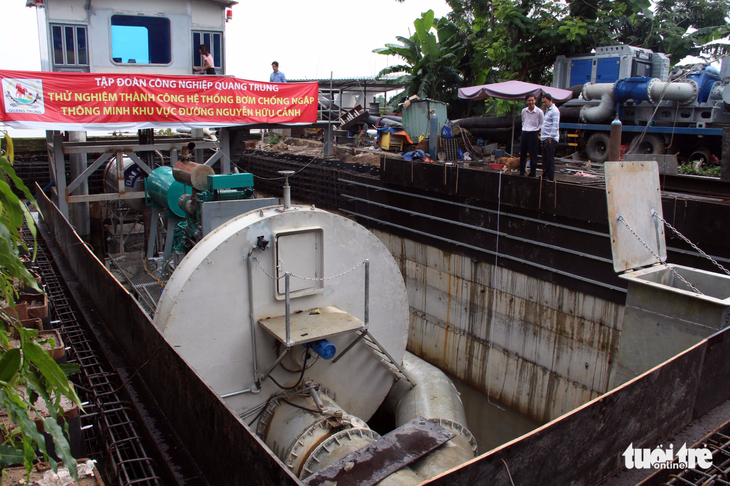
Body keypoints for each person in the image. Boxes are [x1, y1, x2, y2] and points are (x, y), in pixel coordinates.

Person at [519, 94, 543, 177]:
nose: (531, 102)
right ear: (526, 101)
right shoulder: (524, 111)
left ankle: (533, 173)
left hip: (533, 133)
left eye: (532, 100)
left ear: (535, 100)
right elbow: (523, 121)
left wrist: (536, 130)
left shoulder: (539, 111)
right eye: (529, 100)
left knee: (533, 154)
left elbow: (541, 123)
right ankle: (522, 171)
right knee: (522, 153)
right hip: (525, 132)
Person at [541, 93, 560, 181]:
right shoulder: (548, 110)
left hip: (550, 138)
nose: (544, 104)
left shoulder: (554, 111)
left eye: (545, 102)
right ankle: (545, 175)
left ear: (550, 100)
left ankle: (549, 177)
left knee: (549, 159)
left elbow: (555, 125)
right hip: (545, 138)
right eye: (543, 103)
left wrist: (551, 137)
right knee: (545, 158)